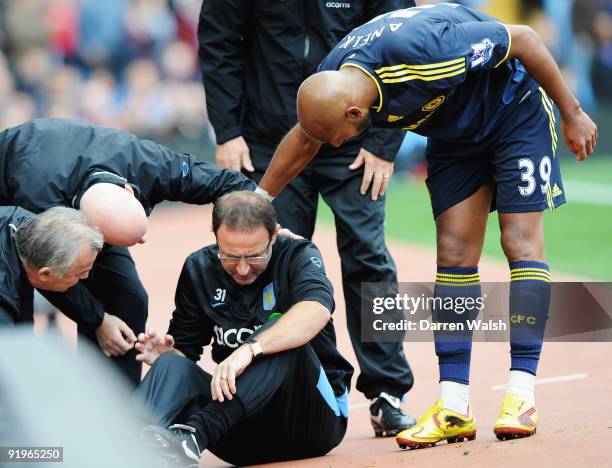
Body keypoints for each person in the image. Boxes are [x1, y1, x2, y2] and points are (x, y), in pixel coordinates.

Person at [255, 3, 598, 448]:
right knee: (454, 256)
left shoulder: (425, 52)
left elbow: (526, 41)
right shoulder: (333, 75)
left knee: (519, 243)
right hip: (455, 136)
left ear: (357, 114)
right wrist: (261, 200)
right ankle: (454, 405)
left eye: (338, 136)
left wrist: (570, 112)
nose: (335, 145)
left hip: (515, 113)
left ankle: (522, 396)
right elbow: (305, 138)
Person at [199, 0, 417, 437]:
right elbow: (218, 43)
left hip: (356, 139)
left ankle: (387, 392)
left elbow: (401, 46)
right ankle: (308, 387)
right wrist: (227, 131)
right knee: (274, 263)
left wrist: (386, 141)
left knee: (369, 255)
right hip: (272, 139)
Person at [0, 118, 257, 385]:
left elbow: (218, 181)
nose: (89, 273)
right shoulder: (38, 201)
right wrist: (98, 319)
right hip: (18, 200)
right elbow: (47, 274)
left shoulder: (151, 164)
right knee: (17, 313)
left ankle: (116, 408)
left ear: (129, 191)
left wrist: (264, 214)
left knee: (130, 298)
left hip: (73, 178)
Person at [134, 191, 353, 467]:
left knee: (279, 331)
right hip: (236, 430)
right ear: (214, 236)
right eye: (229, 256)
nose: (242, 268)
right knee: (170, 367)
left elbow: (317, 309)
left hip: (310, 423)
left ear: (273, 236)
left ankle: (192, 437)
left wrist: (251, 348)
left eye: (254, 256)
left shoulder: (297, 254)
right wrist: (167, 355)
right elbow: (185, 355)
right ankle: (120, 448)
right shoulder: (198, 268)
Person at [0, 206, 103, 327]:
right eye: (79, 273)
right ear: (45, 274)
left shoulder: (34, 226)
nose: (86, 276)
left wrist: (101, 319)